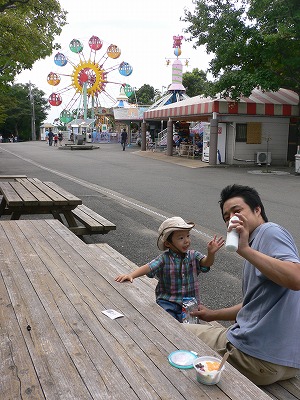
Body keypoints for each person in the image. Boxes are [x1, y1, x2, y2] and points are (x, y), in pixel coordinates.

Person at [184, 184, 300, 386]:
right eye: (226, 216)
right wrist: (212, 314)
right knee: (202, 330)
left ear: (257, 210)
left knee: (176, 332)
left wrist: (244, 249)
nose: (231, 218)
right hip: (287, 362)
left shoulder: (269, 231)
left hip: (255, 357)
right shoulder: (256, 245)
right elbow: (255, 304)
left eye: (237, 211)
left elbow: (296, 279)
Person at [115, 216, 224, 322]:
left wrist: (211, 254)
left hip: (189, 303)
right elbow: (149, 267)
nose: (186, 241)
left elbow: (206, 263)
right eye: (181, 238)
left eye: (188, 236)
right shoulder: (164, 259)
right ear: (168, 243)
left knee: (191, 330)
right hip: (168, 301)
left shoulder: (193, 255)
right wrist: (131, 275)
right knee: (166, 323)